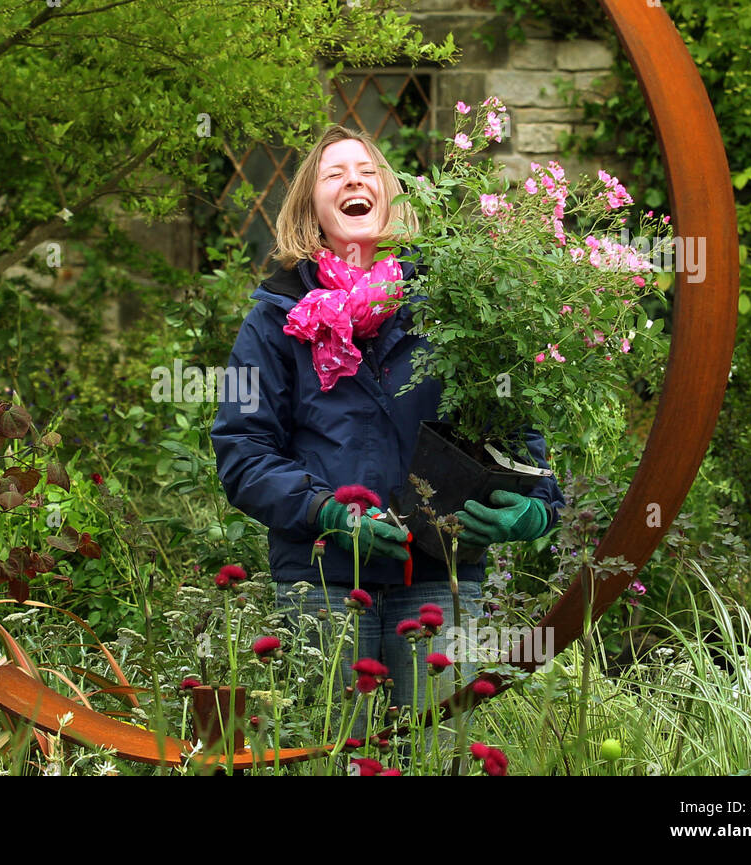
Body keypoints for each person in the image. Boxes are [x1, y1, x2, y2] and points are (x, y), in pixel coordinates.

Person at [209, 124, 565, 737]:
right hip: (320, 578)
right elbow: (242, 451)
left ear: (392, 196)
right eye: (333, 175)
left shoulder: (454, 305)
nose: (352, 181)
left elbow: (516, 434)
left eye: (367, 171)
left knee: (440, 752)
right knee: (334, 750)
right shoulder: (270, 321)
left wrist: (531, 509)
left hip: (440, 574)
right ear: (311, 209)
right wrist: (325, 512)